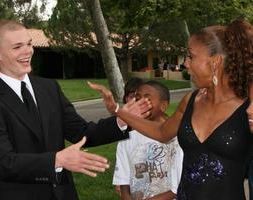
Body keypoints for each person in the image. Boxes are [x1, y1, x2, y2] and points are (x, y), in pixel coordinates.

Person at [0, 19, 150, 200]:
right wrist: (57, 160)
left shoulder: (49, 88)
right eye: (17, 47)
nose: (28, 51)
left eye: (29, 44)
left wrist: (121, 120)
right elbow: (3, 163)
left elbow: (81, 132)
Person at [90, 19, 253, 200]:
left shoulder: (248, 107)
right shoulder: (191, 101)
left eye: (191, 57)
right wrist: (118, 110)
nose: (186, 64)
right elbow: (161, 132)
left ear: (215, 62)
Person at [113, 80, 183, 200]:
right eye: (138, 98)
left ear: (163, 106)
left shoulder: (178, 138)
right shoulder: (127, 139)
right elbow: (123, 180)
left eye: (147, 99)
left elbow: (180, 184)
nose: (141, 103)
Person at [114, 77, 144, 196]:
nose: (136, 101)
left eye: (140, 96)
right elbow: (121, 183)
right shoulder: (124, 136)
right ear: (126, 99)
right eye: (132, 96)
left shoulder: (160, 130)